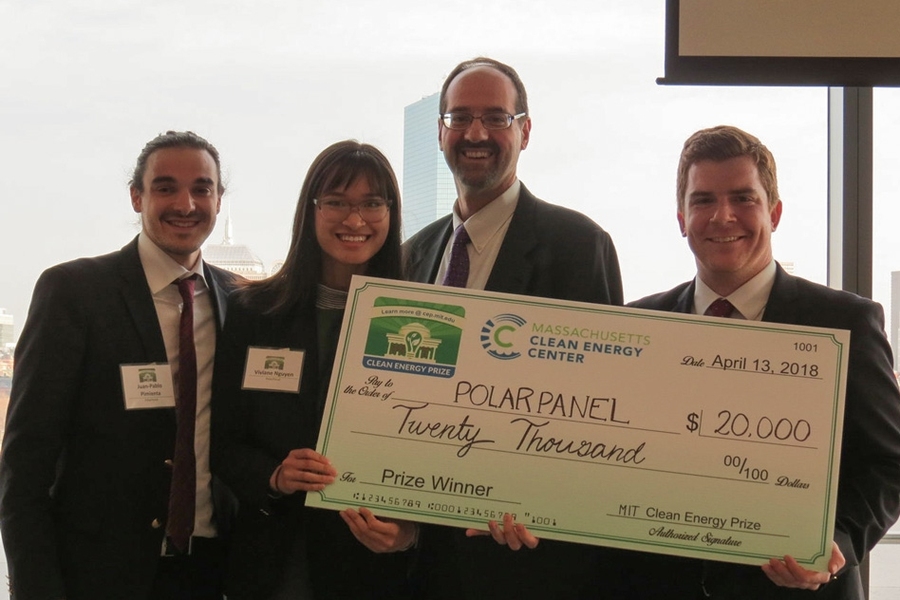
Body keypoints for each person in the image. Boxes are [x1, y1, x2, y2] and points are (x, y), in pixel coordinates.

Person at [626, 125, 900, 598]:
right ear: (682, 218)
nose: (723, 215)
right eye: (703, 200)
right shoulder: (638, 327)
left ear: (774, 213)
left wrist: (835, 541)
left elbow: (888, 463)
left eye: (743, 198)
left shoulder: (845, 323)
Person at [403, 57, 624, 599]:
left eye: (496, 118)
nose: (476, 133)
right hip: (422, 558)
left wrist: (542, 502)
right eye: (460, 118)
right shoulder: (413, 256)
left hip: (529, 560)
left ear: (524, 132)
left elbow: (603, 406)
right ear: (440, 133)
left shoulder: (579, 246)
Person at [0, 130, 239, 599]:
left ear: (218, 198)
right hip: (97, 575)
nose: (186, 204)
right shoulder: (74, 292)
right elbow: (25, 465)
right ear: (137, 197)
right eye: (166, 187)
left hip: (212, 572)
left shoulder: (240, 300)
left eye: (202, 188)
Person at [211, 140, 416, 599]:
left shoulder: (422, 320)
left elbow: (440, 450)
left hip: (373, 567)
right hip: (276, 560)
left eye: (371, 203)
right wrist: (273, 476)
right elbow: (221, 439)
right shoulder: (254, 312)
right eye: (337, 202)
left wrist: (409, 533)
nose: (355, 220)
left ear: (391, 213)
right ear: (311, 210)